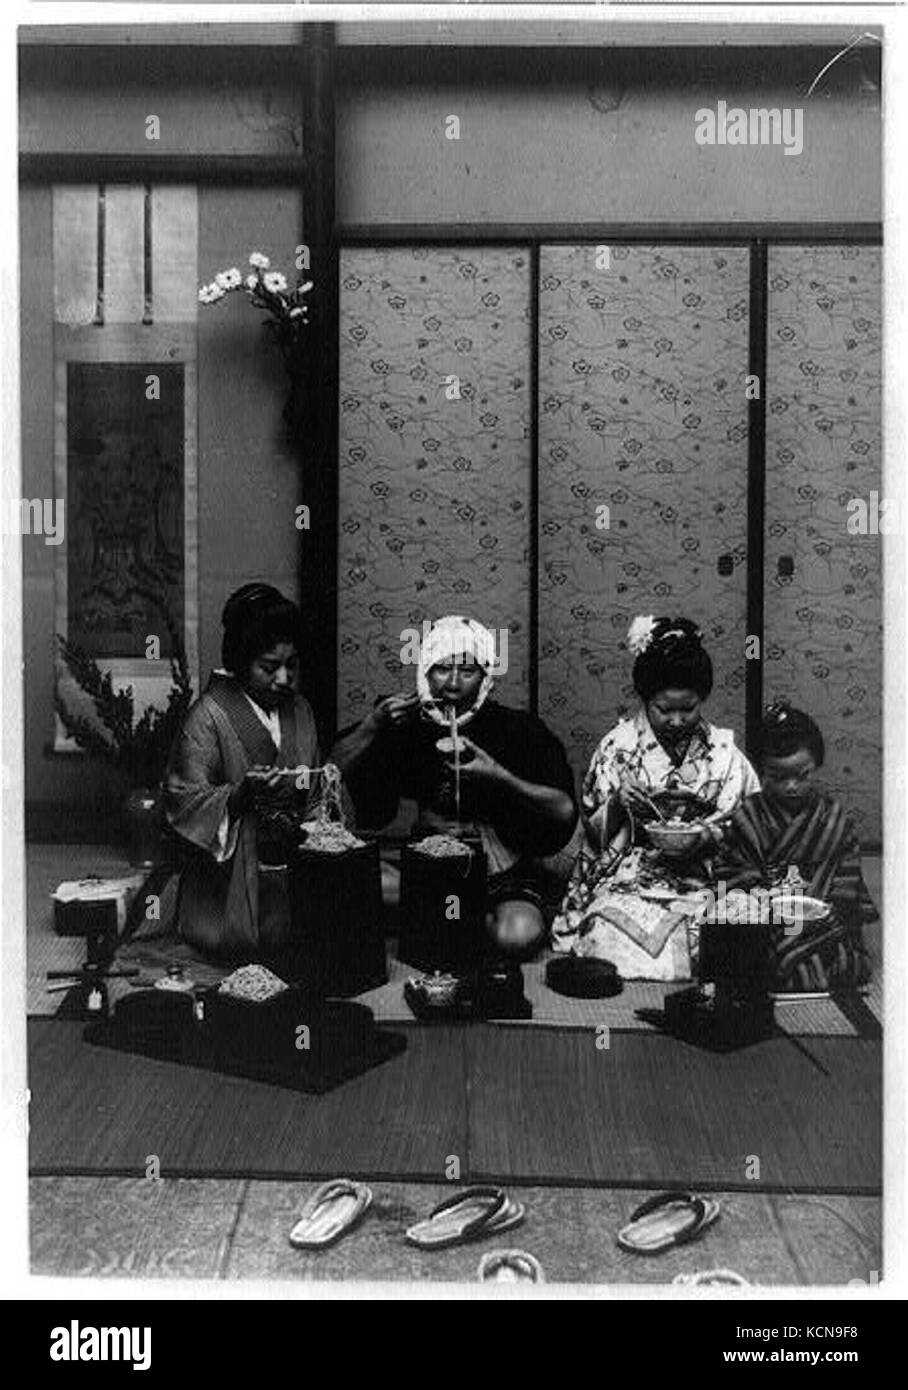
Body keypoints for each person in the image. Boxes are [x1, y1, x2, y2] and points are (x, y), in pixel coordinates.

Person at [331, 615, 579, 957]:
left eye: (467, 671)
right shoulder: (405, 723)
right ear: (424, 671)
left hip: (499, 874)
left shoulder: (518, 729)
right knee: (347, 886)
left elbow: (564, 809)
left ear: (486, 676)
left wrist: (497, 775)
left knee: (519, 934)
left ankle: (447, 917)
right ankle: (452, 915)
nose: (452, 684)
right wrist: (373, 726)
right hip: (425, 868)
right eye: (441, 669)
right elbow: (330, 769)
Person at [551, 615, 760, 980]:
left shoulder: (725, 754)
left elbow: (750, 821)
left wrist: (707, 834)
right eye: (665, 709)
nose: (678, 720)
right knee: (602, 932)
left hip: (704, 872)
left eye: (689, 708)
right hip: (630, 871)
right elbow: (593, 829)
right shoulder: (619, 747)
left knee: (732, 929)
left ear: (703, 699)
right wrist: (617, 803)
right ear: (645, 698)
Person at [164, 583, 322, 958]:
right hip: (230, 877)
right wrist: (238, 796)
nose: (284, 679)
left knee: (310, 942)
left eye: (292, 665)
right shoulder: (208, 715)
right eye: (269, 667)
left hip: (292, 863)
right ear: (239, 662)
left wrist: (316, 823)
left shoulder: (300, 711)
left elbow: (318, 791)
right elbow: (184, 803)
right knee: (237, 954)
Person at [712, 702, 877, 992]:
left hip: (822, 921)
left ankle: (790, 968)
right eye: (777, 777)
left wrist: (825, 909)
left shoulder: (833, 819)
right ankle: (793, 966)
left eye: (802, 776)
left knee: (845, 958)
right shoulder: (748, 816)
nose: (791, 786)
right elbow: (733, 871)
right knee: (743, 951)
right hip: (767, 920)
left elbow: (847, 880)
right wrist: (763, 901)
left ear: (817, 765)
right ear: (761, 770)